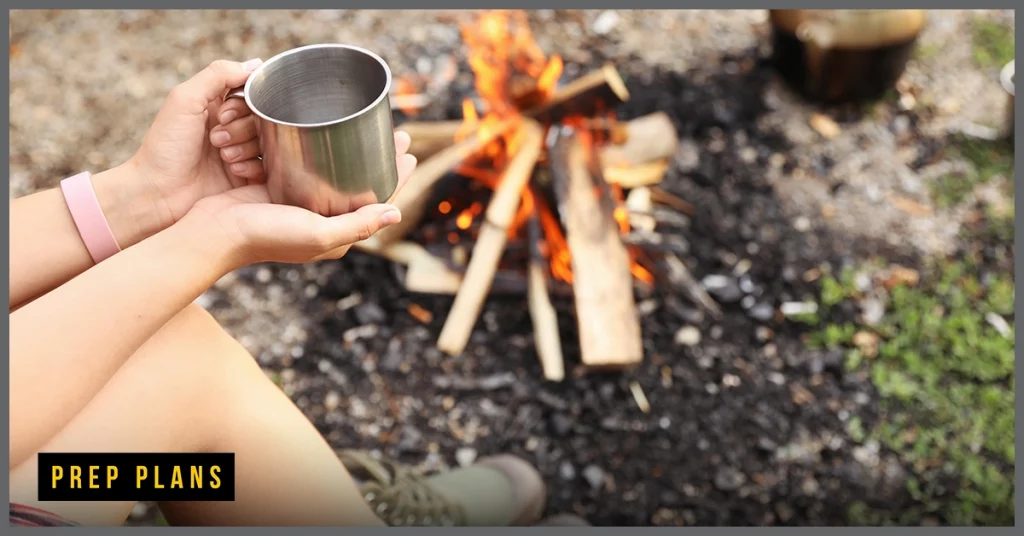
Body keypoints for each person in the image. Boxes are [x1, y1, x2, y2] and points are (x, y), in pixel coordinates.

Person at [8, 58, 587, 527]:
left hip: (69, 478)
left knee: (170, 364)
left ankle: (306, 502)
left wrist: (143, 196)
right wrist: (210, 238)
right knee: (181, 378)